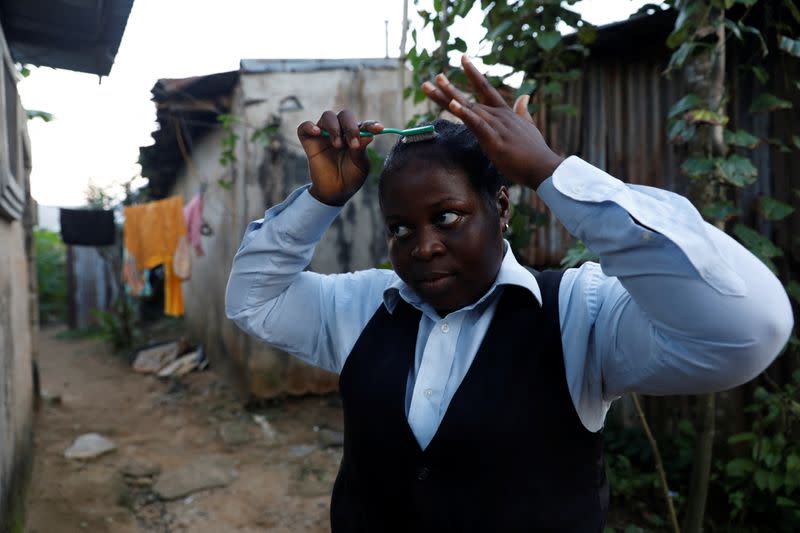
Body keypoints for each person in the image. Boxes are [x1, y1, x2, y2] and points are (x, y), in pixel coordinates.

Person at [225, 55, 793, 532]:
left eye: (448, 217)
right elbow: (255, 299)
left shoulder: (578, 315)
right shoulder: (366, 308)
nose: (422, 247)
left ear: (500, 207)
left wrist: (551, 171)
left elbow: (748, 326)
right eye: (401, 228)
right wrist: (321, 200)